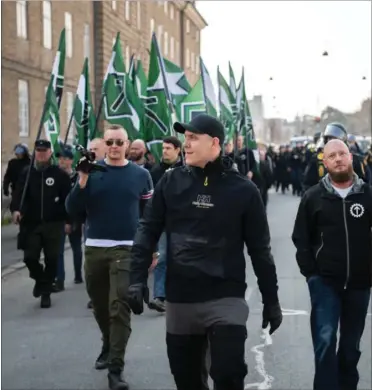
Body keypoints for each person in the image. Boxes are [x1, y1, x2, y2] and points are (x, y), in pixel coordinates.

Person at [127, 114, 282, 390]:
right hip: (181, 299)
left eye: (192, 138)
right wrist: (137, 278)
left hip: (225, 298)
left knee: (228, 373)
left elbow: (260, 250)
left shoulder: (244, 190)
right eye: (185, 138)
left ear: (214, 143)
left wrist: (271, 300)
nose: (186, 145)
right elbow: (147, 229)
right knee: (186, 381)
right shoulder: (169, 182)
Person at [66, 125, 153, 390]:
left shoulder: (141, 175)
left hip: (126, 249)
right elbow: (72, 208)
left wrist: (152, 249)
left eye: (119, 142)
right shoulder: (90, 173)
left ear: (127, 145)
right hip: (95, 248)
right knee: (101, 306)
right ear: (104, 145)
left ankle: (116, 369)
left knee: (119, 309)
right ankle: (108, 342)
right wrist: (81, 179)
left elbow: (149, 216)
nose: (114, 146)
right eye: (110, 142)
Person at [292, 139, 372, 390]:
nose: (338, 159)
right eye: (332, 156)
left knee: (350, 348)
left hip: (360, 284)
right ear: (325, 162)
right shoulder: (313, 197)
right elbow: (301, 238)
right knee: (325, 342)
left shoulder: (367, 194)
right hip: (325, 283)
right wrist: (311, 275)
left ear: (351, 158)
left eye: (342, 154)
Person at [10, 140, 71, 308]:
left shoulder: (59, 175)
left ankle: (45, 293)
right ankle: (41, 280)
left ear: (50, 152)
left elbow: (68, 200)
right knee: (30, 257)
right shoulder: (27, 173)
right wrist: (16, 210)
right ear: (35, 152)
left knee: (52, 259)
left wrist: (68, 220)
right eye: (38, 150)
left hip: (54, 223)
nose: (41, 153)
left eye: (45, 151)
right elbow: (18, 194)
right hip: (31, 223)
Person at [148, 136, 183, 313]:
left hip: (182, 223)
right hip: (163, 222)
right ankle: (159, 297)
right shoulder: (156, 171)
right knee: (161, 259)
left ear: (178, 150)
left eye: (168, 148)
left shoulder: (187, 169)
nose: (165, 151)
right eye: (163, 148)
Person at [303, 122, 369, 191]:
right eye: (329, 139)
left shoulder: (356, 159)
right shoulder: (318, 159)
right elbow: (308, 185)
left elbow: (365, 183)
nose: (332, 142)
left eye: (335, 139)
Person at [54, 145, 83, 292]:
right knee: (58, 250)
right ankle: (60, 279)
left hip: (74, 217)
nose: (61, 161)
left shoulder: (77, 178)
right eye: (60, 158)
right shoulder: (55, 176)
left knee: (76, 247)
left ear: (71, 161)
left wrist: (72, 220)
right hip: (58, 218)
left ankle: (78, 274)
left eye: (65, 158)